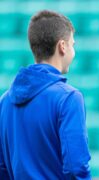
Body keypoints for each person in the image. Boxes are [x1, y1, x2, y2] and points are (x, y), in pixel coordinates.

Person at [0, 10, 91, 179]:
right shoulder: (69, 98)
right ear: (62, 46)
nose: (74, 51)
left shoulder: (4, 102)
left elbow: (2, 168)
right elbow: (76, 167)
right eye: (73, 44)